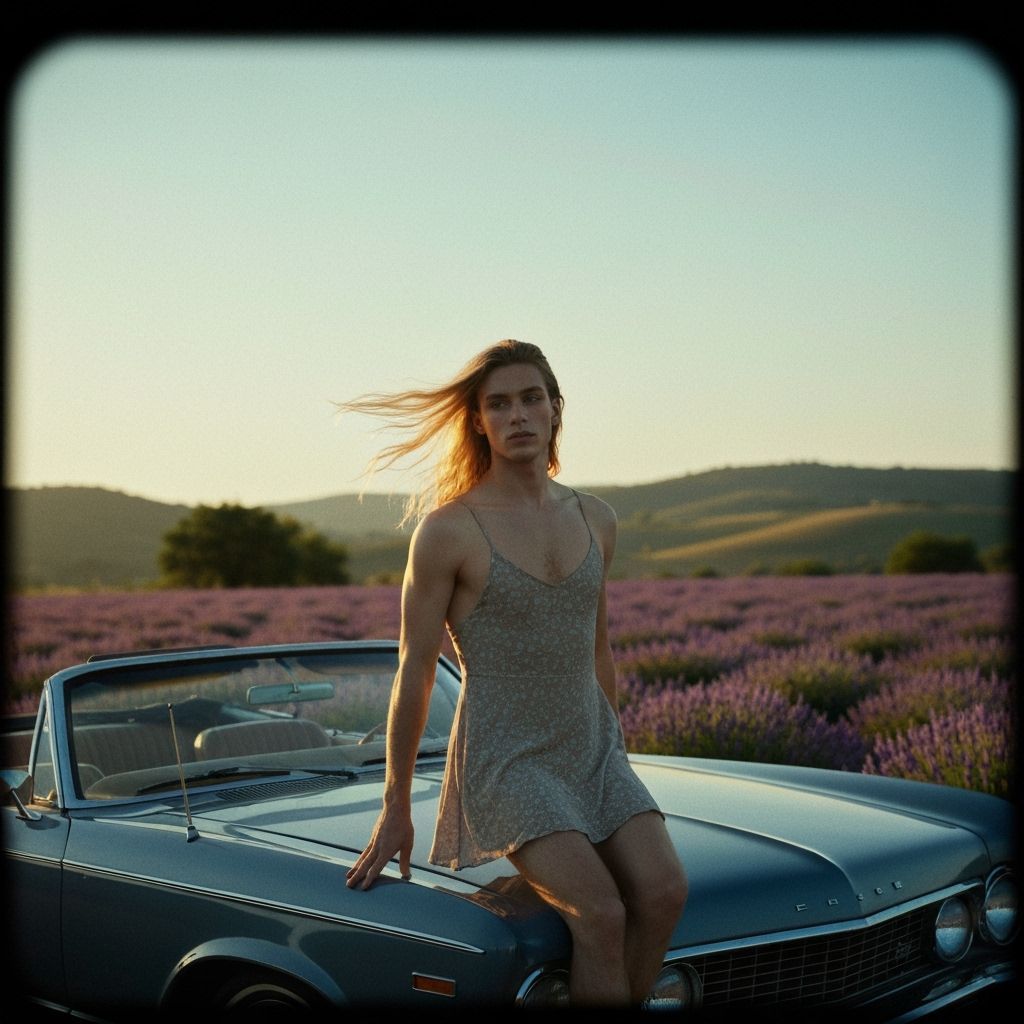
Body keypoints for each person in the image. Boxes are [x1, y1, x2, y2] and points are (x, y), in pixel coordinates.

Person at [342, 340, 687, 1006]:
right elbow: (415, 670)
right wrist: (395, 805)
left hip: (592, 749)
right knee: (601, 913)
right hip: (506, 760)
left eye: (531, 398)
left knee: (666, 891)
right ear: (478, 422)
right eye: (498, 404)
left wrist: (614, 751)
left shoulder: (596, 517)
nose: (518, 415)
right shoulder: (449, 530)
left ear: (556, 408)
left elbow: (597, 646)